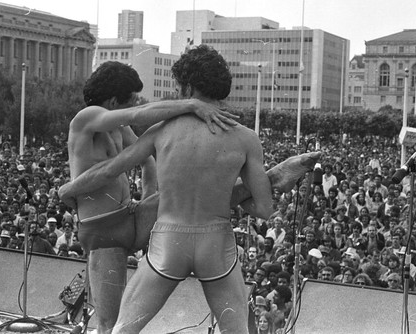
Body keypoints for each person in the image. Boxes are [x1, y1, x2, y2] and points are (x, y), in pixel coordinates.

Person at [60, 45, 320, 333]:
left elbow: (112, 168)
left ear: (187, 86)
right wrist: (238, 197)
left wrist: (68, 190)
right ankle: (273, 177)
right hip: (214, 244)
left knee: (119, 328)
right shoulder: (246, 138)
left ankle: (262, 180)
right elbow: (266, 210)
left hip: (164, 238)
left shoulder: (161, 129)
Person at [60, 61, 239, 333]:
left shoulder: (119, 129)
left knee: (191, 194)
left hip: (130, 216)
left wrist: (146, 201)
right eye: (129, 100)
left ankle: (265, 180)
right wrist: (192, 104)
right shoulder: (87, 118)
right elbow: (140, 114)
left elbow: (148, 163)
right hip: (102, 231)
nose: (134, 104)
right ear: (112, 99)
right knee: (110, 322)